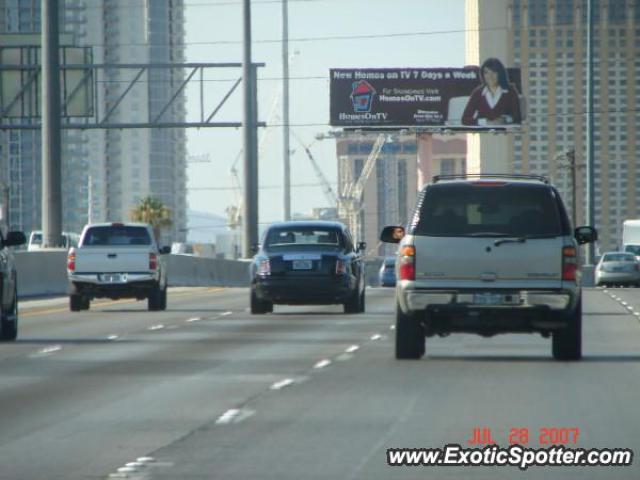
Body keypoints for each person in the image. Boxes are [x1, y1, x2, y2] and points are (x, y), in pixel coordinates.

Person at [461, 58, 521, 126]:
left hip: (504, 133)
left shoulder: (510, 91)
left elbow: (517, 117)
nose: (490, 76)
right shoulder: (478, 93)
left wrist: (505, 119)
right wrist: (485, 122)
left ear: (500, 73)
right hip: (484, 133)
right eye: (486, 72)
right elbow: (465, 119)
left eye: (494, 72)